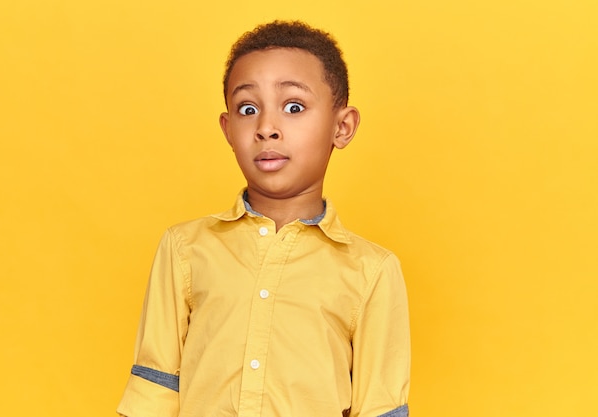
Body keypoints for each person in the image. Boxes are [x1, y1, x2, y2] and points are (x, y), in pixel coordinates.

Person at [117, 20, 410, 417]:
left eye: (293, 107)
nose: (266, 128)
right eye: (247, 109)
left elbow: (381, 406)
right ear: (227, 128)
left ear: (342, 127)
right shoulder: (185, 248)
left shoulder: (372, 271)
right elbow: (154, 387)